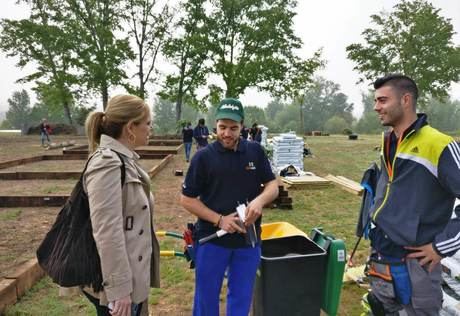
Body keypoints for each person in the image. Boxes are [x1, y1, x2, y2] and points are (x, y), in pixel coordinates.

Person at [366, 74, 460, 315]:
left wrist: (440, 247)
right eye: (376, 101)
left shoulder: (439, 144)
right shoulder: (389, 141)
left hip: (417, 264)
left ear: (405, 100)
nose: (376, 107)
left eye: (383, 100)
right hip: (383, 255)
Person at [180, 98, 279, 316]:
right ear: (215, 125)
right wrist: (219, 219)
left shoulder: (255, 152)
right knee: (206, 298)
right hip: (212, 240)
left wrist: (259, 201)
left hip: (248, 241)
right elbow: (187, 199)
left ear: (242, 126)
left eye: (233, 128)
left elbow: (273, 185)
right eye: (222, 127)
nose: (227, 133)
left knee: (241, 298)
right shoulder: (204, 157)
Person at [83, 94, 160, 316]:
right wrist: (119, 290)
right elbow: (107, 231)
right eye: (147, 123)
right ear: (130, 128)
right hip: (118, 287)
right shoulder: (107, 163)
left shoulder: (123, 159)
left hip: (131, 278)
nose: (150, 129)